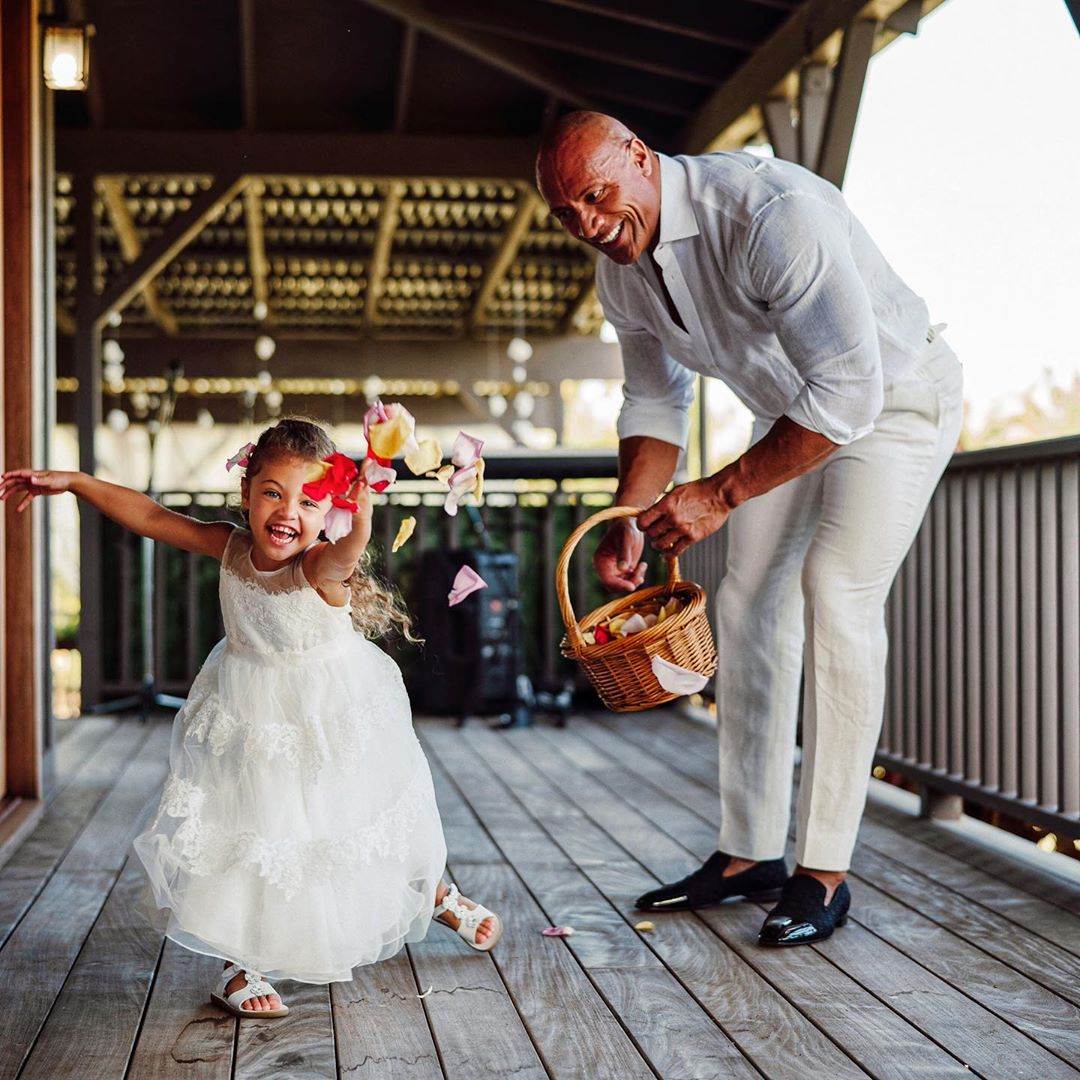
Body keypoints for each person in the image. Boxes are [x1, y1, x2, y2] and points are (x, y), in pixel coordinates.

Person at [536, 111, 963, 945]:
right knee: (744, 599)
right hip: (790, 419)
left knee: (834, 592)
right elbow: (655, 401)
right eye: (566, 212)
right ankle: (749, 854)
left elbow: (849, 394)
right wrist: (632, 516)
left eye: (595, 195)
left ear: (639, 157)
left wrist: (721, 494)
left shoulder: (770, 216)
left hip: (895, 406)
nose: (587, 222)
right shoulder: (620, 272)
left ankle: (825, 873)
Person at [0, 417, 501, 1016]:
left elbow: (347, 553)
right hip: (250, 712)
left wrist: (362, 513)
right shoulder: (232, 546)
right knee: (256, 831)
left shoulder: (318, 567)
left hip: (328, 714)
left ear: (328, 512)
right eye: (273, 493)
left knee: (352, 821)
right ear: (247, 494)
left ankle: (435, 893)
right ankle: (241, 962)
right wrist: (76, 481)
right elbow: (153, 517)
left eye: (310, 501)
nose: (288, 511)